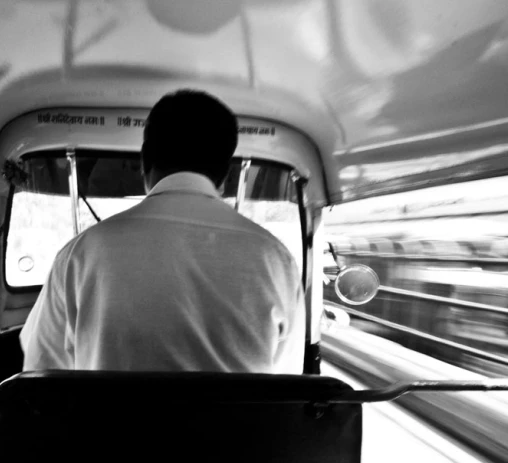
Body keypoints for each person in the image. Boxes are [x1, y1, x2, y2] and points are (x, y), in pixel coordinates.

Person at [20, 89, 305, 373]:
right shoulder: (277, 260)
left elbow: (42, 375)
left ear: (145, 160)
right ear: (226, 173)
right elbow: (285, 386)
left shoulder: (80, 255)